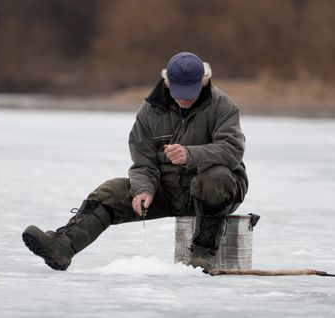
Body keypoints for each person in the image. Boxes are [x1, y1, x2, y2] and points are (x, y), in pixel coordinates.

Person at [22, 51, 248, 271]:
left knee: (214, 178)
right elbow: (143, 163)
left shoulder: (223, 106)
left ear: (204, 81)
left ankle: (203, 253)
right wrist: (143, 190)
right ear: (167, 83)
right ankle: (62, 247)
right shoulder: (149, 111)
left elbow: (233, 150)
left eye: (191, 92)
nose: (185, 99)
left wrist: (191, 154)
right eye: (179, 92)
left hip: (217, 192)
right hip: (168, 190)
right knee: (110, 191)